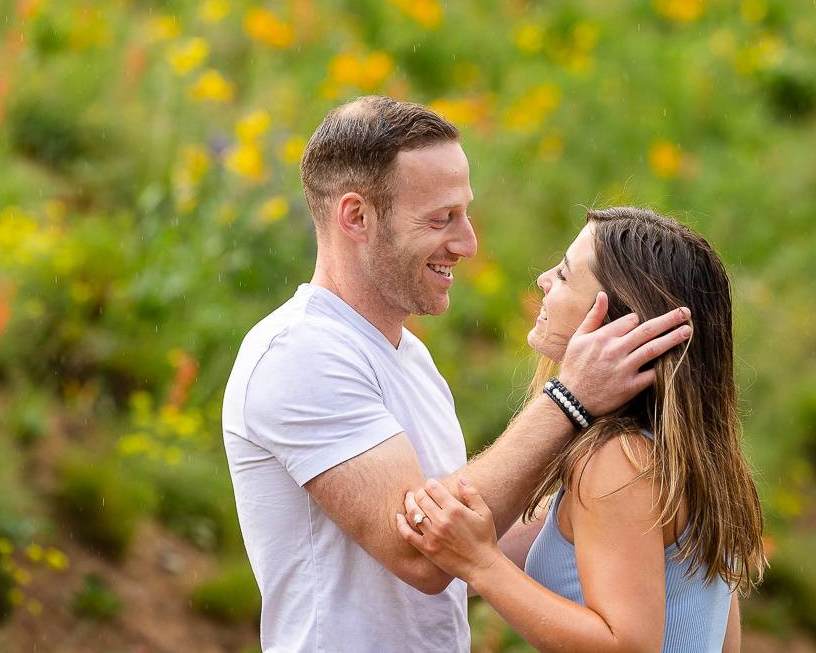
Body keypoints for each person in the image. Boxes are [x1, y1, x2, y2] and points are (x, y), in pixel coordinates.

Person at [222, 98, 694, 653]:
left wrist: (628, 504)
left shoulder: (411, 359)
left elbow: (469, 532)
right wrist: (570, 400)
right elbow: (422, 554)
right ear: (356, 217)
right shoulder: (299, 353)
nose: (468, 243)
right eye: (441, 218)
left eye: (464, 213)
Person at [399, 207, 766, 653]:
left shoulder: (619, 461)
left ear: (620, 321)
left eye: (567, 275)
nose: (544, 280)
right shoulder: (690, 460)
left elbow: (627, 645)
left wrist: (481, 563)